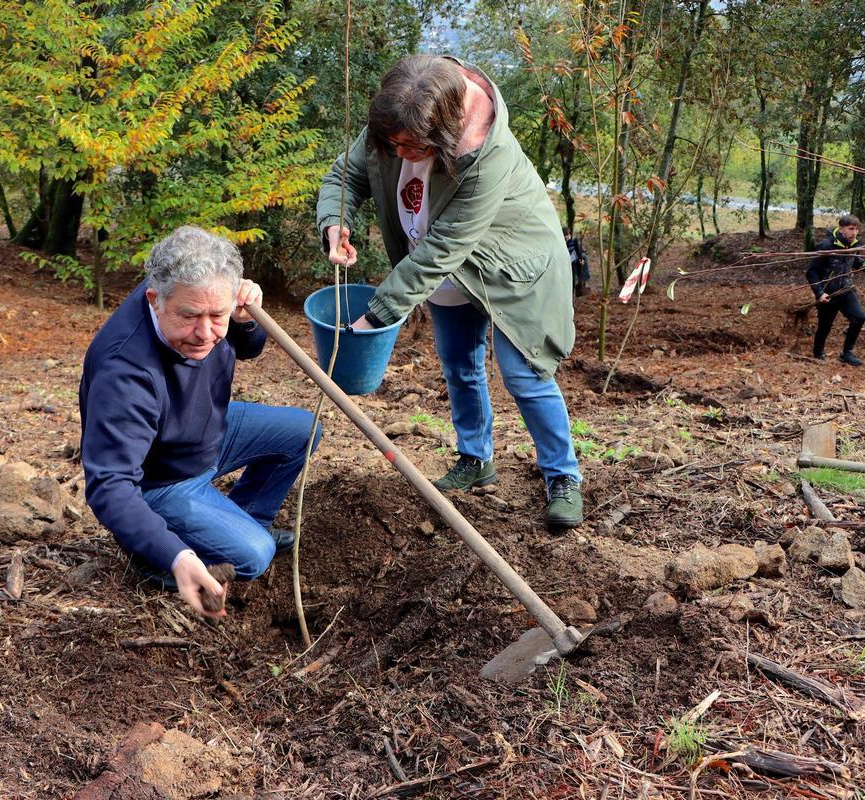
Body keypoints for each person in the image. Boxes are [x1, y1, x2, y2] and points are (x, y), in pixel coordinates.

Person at [316, 54, 583, 529]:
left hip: (512, 269)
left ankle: (563, 476)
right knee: (459, 364)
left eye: (412, 147)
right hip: (445, 272)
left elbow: (444, 247)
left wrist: (375, 317)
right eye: (391, 143)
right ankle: (476, 460)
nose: (399, 154)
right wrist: (336, 223)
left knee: (524, 374)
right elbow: (346, 175)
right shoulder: (402, 118)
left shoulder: (486, 155)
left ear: (443, 132)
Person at [79, 226, 320, 618]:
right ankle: (160, 556)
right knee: (256, 556)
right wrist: (175, 555)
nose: (205, 334)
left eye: (218, 315)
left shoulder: (200, 292)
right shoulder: (124, 372)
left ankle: (243, 522)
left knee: (303, 431)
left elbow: (246, 348)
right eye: (190, 316)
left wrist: (244, 320)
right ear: (154, 299)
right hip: (161, 479)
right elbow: (110, 485)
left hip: (206, 430)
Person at [805, 213, 865, 366]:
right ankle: (818, 353)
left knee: (859, 317)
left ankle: (847, 353)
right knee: (825, 325)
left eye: (857, 229)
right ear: (841, 229)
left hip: (846, 290)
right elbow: (811, 272)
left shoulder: (855, 244)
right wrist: (819, 293)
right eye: (851, 229)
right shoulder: (826, 245)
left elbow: (856, 263)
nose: (854, 232)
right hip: (828, 292)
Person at [565, 227, 590, 296]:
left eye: (567, 234)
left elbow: (578, 250)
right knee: (572, 279)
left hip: (574, 261)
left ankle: (584, 282)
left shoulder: (574, 241)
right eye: (565, 235)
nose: (566, 236)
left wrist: (580, 259)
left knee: (584, 258)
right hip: (566, 262)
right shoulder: (562, 242)